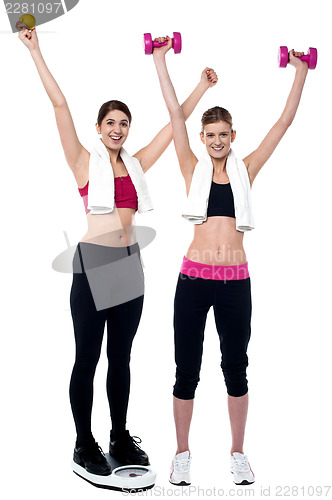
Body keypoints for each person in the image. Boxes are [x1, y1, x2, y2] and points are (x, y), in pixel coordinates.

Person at [18, 27, 217, 476]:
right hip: (93, 265)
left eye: (123, 124)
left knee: (121, 359)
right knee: (87, 358)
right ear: (98, 128)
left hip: (129, 268)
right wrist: (35, 50)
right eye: (110, 123)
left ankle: (119, 436)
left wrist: (200, 89)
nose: (117, 129)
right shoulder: (83, 161)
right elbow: (59, 105)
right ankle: (83, 442)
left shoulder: (137, 163)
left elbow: (175, 127)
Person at [152, 38, 309, 485]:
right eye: (211, 136)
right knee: (186, 368)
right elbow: (174, 115)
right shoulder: (189, 165)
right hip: (193, 279)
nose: (217, 141)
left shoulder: (248, 168)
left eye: (224, 135)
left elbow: (282, 123)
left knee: (235, 366)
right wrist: (162, 61)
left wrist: (299, 73)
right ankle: (182, 453)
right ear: (202, 139)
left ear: (232, 137)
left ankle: (238, 453)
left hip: (235, 282)